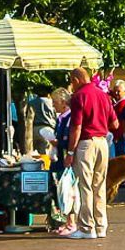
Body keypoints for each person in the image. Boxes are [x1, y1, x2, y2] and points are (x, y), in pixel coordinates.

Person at [65, 67, 117, 240]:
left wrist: (70, 151)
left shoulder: (78, 96)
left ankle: (87, 227)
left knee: (85, 186)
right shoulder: (103, 95)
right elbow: (115, 124)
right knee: (99, 185)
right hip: (103, 142)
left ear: (76, 79)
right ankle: (101, 225)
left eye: (72, 81)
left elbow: (76, 126)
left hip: (86, 143)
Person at [49, 87, 77, 236]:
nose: (53, 105)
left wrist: (57, 143)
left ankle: (71, 222)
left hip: (65, 158)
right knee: (61, 190)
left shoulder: (69, 118)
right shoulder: (61, 118)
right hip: (60, 157)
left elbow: (67, 139)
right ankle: (67, 221)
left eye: (55, 102)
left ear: (63, 102)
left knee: (68, 190)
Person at [27, 86, 57, 153]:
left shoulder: (31, 102)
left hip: (34, 129)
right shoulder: (51, 102)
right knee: (45, 153)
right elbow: (55, 116)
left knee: (34, 153)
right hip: (47, 129)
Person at [108, 80, 125, 157]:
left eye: (119, 91)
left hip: (120, 137)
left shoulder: (123, 103)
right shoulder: (118, 103)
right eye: (115, 91)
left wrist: (117, 135)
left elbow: (120, 122)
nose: (116, 93)